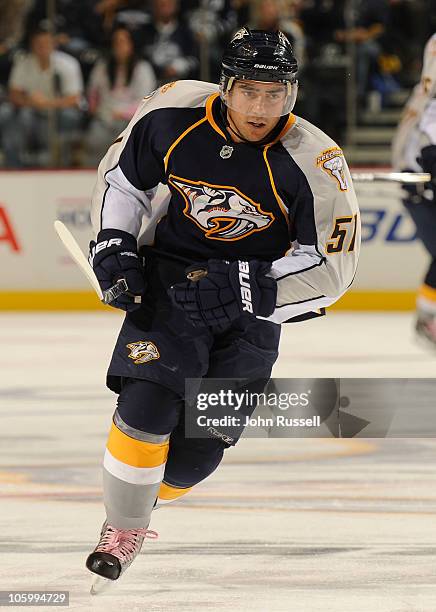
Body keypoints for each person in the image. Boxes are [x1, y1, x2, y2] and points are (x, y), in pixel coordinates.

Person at [85, 28, 360, 586]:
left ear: (293, 93)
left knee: (196, 456)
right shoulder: (170, 111)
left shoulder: (315, 160)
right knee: (149, 402)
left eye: (276, 93)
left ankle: (139, 498)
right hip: (170, 282)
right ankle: (123, 525)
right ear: (226, 86)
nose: (262, 108)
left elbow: (333, 269)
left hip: (252, 310)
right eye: (251, 92)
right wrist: (114, 243)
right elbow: (125, 183)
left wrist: (243, 284)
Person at [392, 33, 436, 347]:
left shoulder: (424, 96)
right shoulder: (429, 103)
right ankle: (427, 320)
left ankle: (428, 318)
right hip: (421, 184)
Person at [0, 26, 83, 167]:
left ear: (54, 44)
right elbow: (14, 94)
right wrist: (31, 102)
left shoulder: (67, 64)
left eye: (46, 43)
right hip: (31, 112)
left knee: (70, 115)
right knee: (9, 113)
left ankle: (61, 159)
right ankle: (14, 161)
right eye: (38, 44)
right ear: (32, 46)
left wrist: (47, 103)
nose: (42, 47)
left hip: (58, 112)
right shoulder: (24, 63)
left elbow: (74, 99)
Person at [84, 26, 156, 166]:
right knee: (93, 140)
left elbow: (146, 100)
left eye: (123, 42)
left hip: (130, 122)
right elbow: (93, 91)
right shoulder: (102, 66)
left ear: (131, 45)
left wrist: (123, 113)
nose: (119, 46)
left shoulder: (142, 68)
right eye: (116, 42)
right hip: (104, 118)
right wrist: (94, 108)